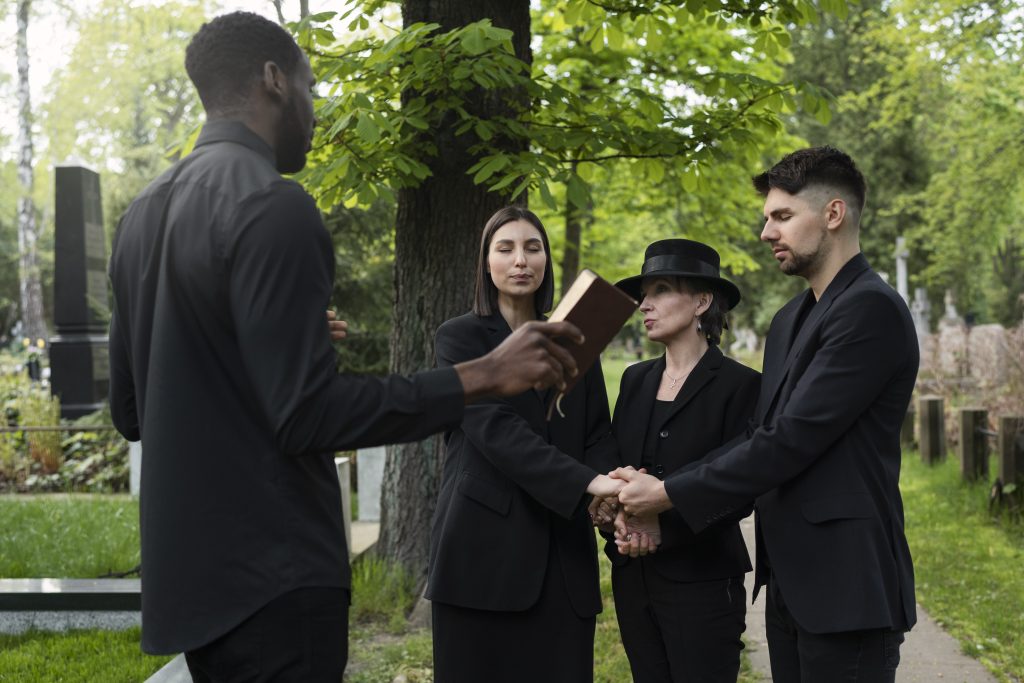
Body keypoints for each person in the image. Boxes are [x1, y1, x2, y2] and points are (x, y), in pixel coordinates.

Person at [107, 13, 583, 682]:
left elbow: (133, 408)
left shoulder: (141, 214)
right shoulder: (276, 205)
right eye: (310, 85)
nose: (315, 107)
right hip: (276, 576)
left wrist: (269, 348)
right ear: (274, 80)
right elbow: (307, 415)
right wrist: (479, 375)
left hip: (192, 585)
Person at [614, 147, 919, 683]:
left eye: (781, 216)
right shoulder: (788, 320)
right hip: (790, 585)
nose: (766, 232)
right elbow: (757, 434)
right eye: (767, 218)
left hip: (846, 584)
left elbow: (788, 441)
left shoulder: (871, 309)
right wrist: (659, 499)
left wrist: (665, 495)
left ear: (833, 214)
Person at [427, 206, 622, 683]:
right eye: (506, 248)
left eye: (533, 248)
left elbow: (597, 430)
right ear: (486, 263)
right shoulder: (459, 339)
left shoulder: (576, 338)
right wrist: (589, 483)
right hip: (481, 557)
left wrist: (609, 490)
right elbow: (495, 430)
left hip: (562, 558)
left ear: (547, 261)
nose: (521, 260)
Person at [597, 239, 760, 683]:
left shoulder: (741, 385)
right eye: (643, 295)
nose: (644, 305)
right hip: (634, 577)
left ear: (702, 302)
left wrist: (662, 525)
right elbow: (618, 465)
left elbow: (739, 488)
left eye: (661, 291)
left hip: (703, 580)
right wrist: (616, 515)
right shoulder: (634, 380)